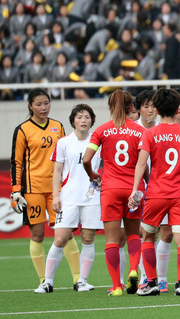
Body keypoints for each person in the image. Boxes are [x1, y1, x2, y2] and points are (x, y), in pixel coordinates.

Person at [131, 89, 180, 296]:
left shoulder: (149, 133)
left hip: (156, 194)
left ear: (157, 109)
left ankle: (152, 282)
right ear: (176, 109)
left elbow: (141, 163)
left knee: (148, 238)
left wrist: (135, 189)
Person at [83, 90, 146, 296]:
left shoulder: (101, 130)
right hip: (132, 188)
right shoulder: (140, 131)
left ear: (110, 107)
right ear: (131, 108)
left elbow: (86, 159)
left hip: (110, 189)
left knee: (111, 240)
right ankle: (134, 269)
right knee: (133, 234)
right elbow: (143, 163)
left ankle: (117, 286)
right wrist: (145, 182)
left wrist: (92, 173)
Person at [36, 104, 101, 294]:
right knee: (60, 238)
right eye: (79, 117)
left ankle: (82, 281)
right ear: (73, 120)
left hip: (92, 198)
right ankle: (47, 282)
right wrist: (56, 195)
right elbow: (56, 171)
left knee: (88, 239)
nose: (83, 120)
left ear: (92, 120)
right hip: (69, 198)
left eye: (87, 117)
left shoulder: (99, 142)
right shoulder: (64, 142)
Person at [11, 89, 67, 290]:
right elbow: (16, 162)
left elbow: (65, 157)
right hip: (32, 189)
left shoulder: (58, 126)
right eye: (39, 104)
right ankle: (44, 281)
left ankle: (79, 279)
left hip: (56, 189)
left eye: (47, 103)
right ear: (30, 106)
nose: (44, 108)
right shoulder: (23, 130)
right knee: (37, 235)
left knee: (65, 233)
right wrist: (16, 191)